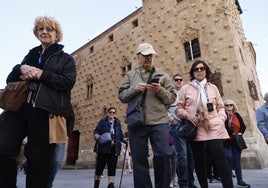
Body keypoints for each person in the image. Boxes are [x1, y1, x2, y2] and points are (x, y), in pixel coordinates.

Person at [0, 15, 76, 188]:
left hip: (44, 110)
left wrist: (43, 74)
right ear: (36, 33)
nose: (44, 32)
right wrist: (20, 67)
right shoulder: (31, 54)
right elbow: (10, 80)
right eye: (40, 29)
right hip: (19, 108)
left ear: (57, 34)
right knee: (3, 148)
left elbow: (68, 82)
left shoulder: (65, 59)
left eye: (49, 29)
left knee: (38, 162)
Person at [118, 42, 176, 188]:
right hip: (137, 122)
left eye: (150, 55)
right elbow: (122, 96)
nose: (148, 58)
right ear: (138, 57)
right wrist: (134, 89)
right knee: (139, 158)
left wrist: (160, 91)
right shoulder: (130, 75)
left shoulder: (162, 75)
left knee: (163, 154)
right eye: (144, 55)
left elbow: (172, 98)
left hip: (159, 121)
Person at [176, 60, 233, 188]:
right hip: (195, 128)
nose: (199, 71)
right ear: (193, 72)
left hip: (214, 125)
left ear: (206, 70)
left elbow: (220, 106)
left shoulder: (213, 88)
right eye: (196, 69)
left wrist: (221, 119)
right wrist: (188, 115)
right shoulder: (186, 88)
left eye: (202, 68)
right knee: (199, 161)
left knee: (220, 157)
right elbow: (178, 108)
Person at [168, 73, 197, 188]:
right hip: (177, 126)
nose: (178, 82)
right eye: (176, 80)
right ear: (173, 82)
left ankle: (191, 182)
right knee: (182, 156)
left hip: (188, 126)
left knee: (190, 156)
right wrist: (172, 120)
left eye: (180, 80)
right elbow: (164, 110)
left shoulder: (186, 92)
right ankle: (183, 183)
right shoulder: (170, 95)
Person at [93, 107, 127, 188]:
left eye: (113, 112)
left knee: (112, 167)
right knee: (99, 168)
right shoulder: (103, 121)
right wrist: (96, 135)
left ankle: (111, 184)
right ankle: (96, 183)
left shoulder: (117, 123)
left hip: (114, 149)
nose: (112, 114)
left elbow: (120, 134)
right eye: (110, 112)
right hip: (103, 149)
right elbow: (96, 130)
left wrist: (125, 140)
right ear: (107, 113)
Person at [223, 99, 251, 188]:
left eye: (231, 105)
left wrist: (240, 133)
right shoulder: (223, 116)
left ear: (233, 106)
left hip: (236, 141)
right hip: (227, 141)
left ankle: (240, 180)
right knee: (229, 157)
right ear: (224, 107)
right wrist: (230, 133)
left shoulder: (237, 115)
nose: (229, 107)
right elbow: (222, 127)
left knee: (237, 160)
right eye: (227, 105)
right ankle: (229, 178)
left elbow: (243, 126)